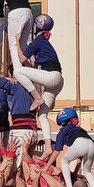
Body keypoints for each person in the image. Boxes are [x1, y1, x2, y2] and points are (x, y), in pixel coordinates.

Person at [18, 13, 64, 145]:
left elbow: (22, 59)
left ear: (36, 27)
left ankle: (37, 98)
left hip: (51, 77)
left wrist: (16, 42)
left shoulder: (38, 41)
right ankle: (48, 146)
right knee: (42, 115)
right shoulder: (45, 42)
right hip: (58, 80)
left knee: (18, 71)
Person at [51, 108, 94, 187]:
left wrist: (46, 167)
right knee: (87, 171)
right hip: (91, 143)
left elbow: (56, 151)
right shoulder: (78, 128)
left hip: (79, 143)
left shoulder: (63, 131)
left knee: (64, 161)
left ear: (62, 122)